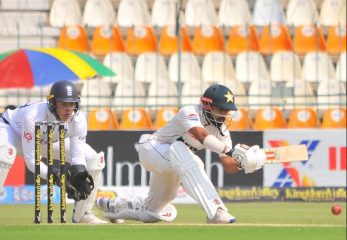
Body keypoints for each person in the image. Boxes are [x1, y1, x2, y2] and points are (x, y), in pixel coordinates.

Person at [96, 84, 267, 224]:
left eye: (227, 111)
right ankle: (217, 211)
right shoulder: (190, 112)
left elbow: (228, 165)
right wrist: (229, 150)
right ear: (207, 104)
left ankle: (115, 206)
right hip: (153, 149)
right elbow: (201, 136)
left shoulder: (222, 132)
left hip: (174, 162)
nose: (224, 115)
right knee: (191, 159)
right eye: (221, 109)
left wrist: (244, 163)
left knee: (152, 213)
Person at [0, 80, 107, 224]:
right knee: (6, 153)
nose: (68, 109)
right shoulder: (32, 116)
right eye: (63, 104)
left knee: (94, 160)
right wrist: (56, 176)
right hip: (12, 131)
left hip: (47, 140)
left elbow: (77, 158)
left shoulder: (79, 120)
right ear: (52, 103)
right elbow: (32, 161)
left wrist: (78, 176)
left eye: (72, 104)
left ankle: (82, 214)